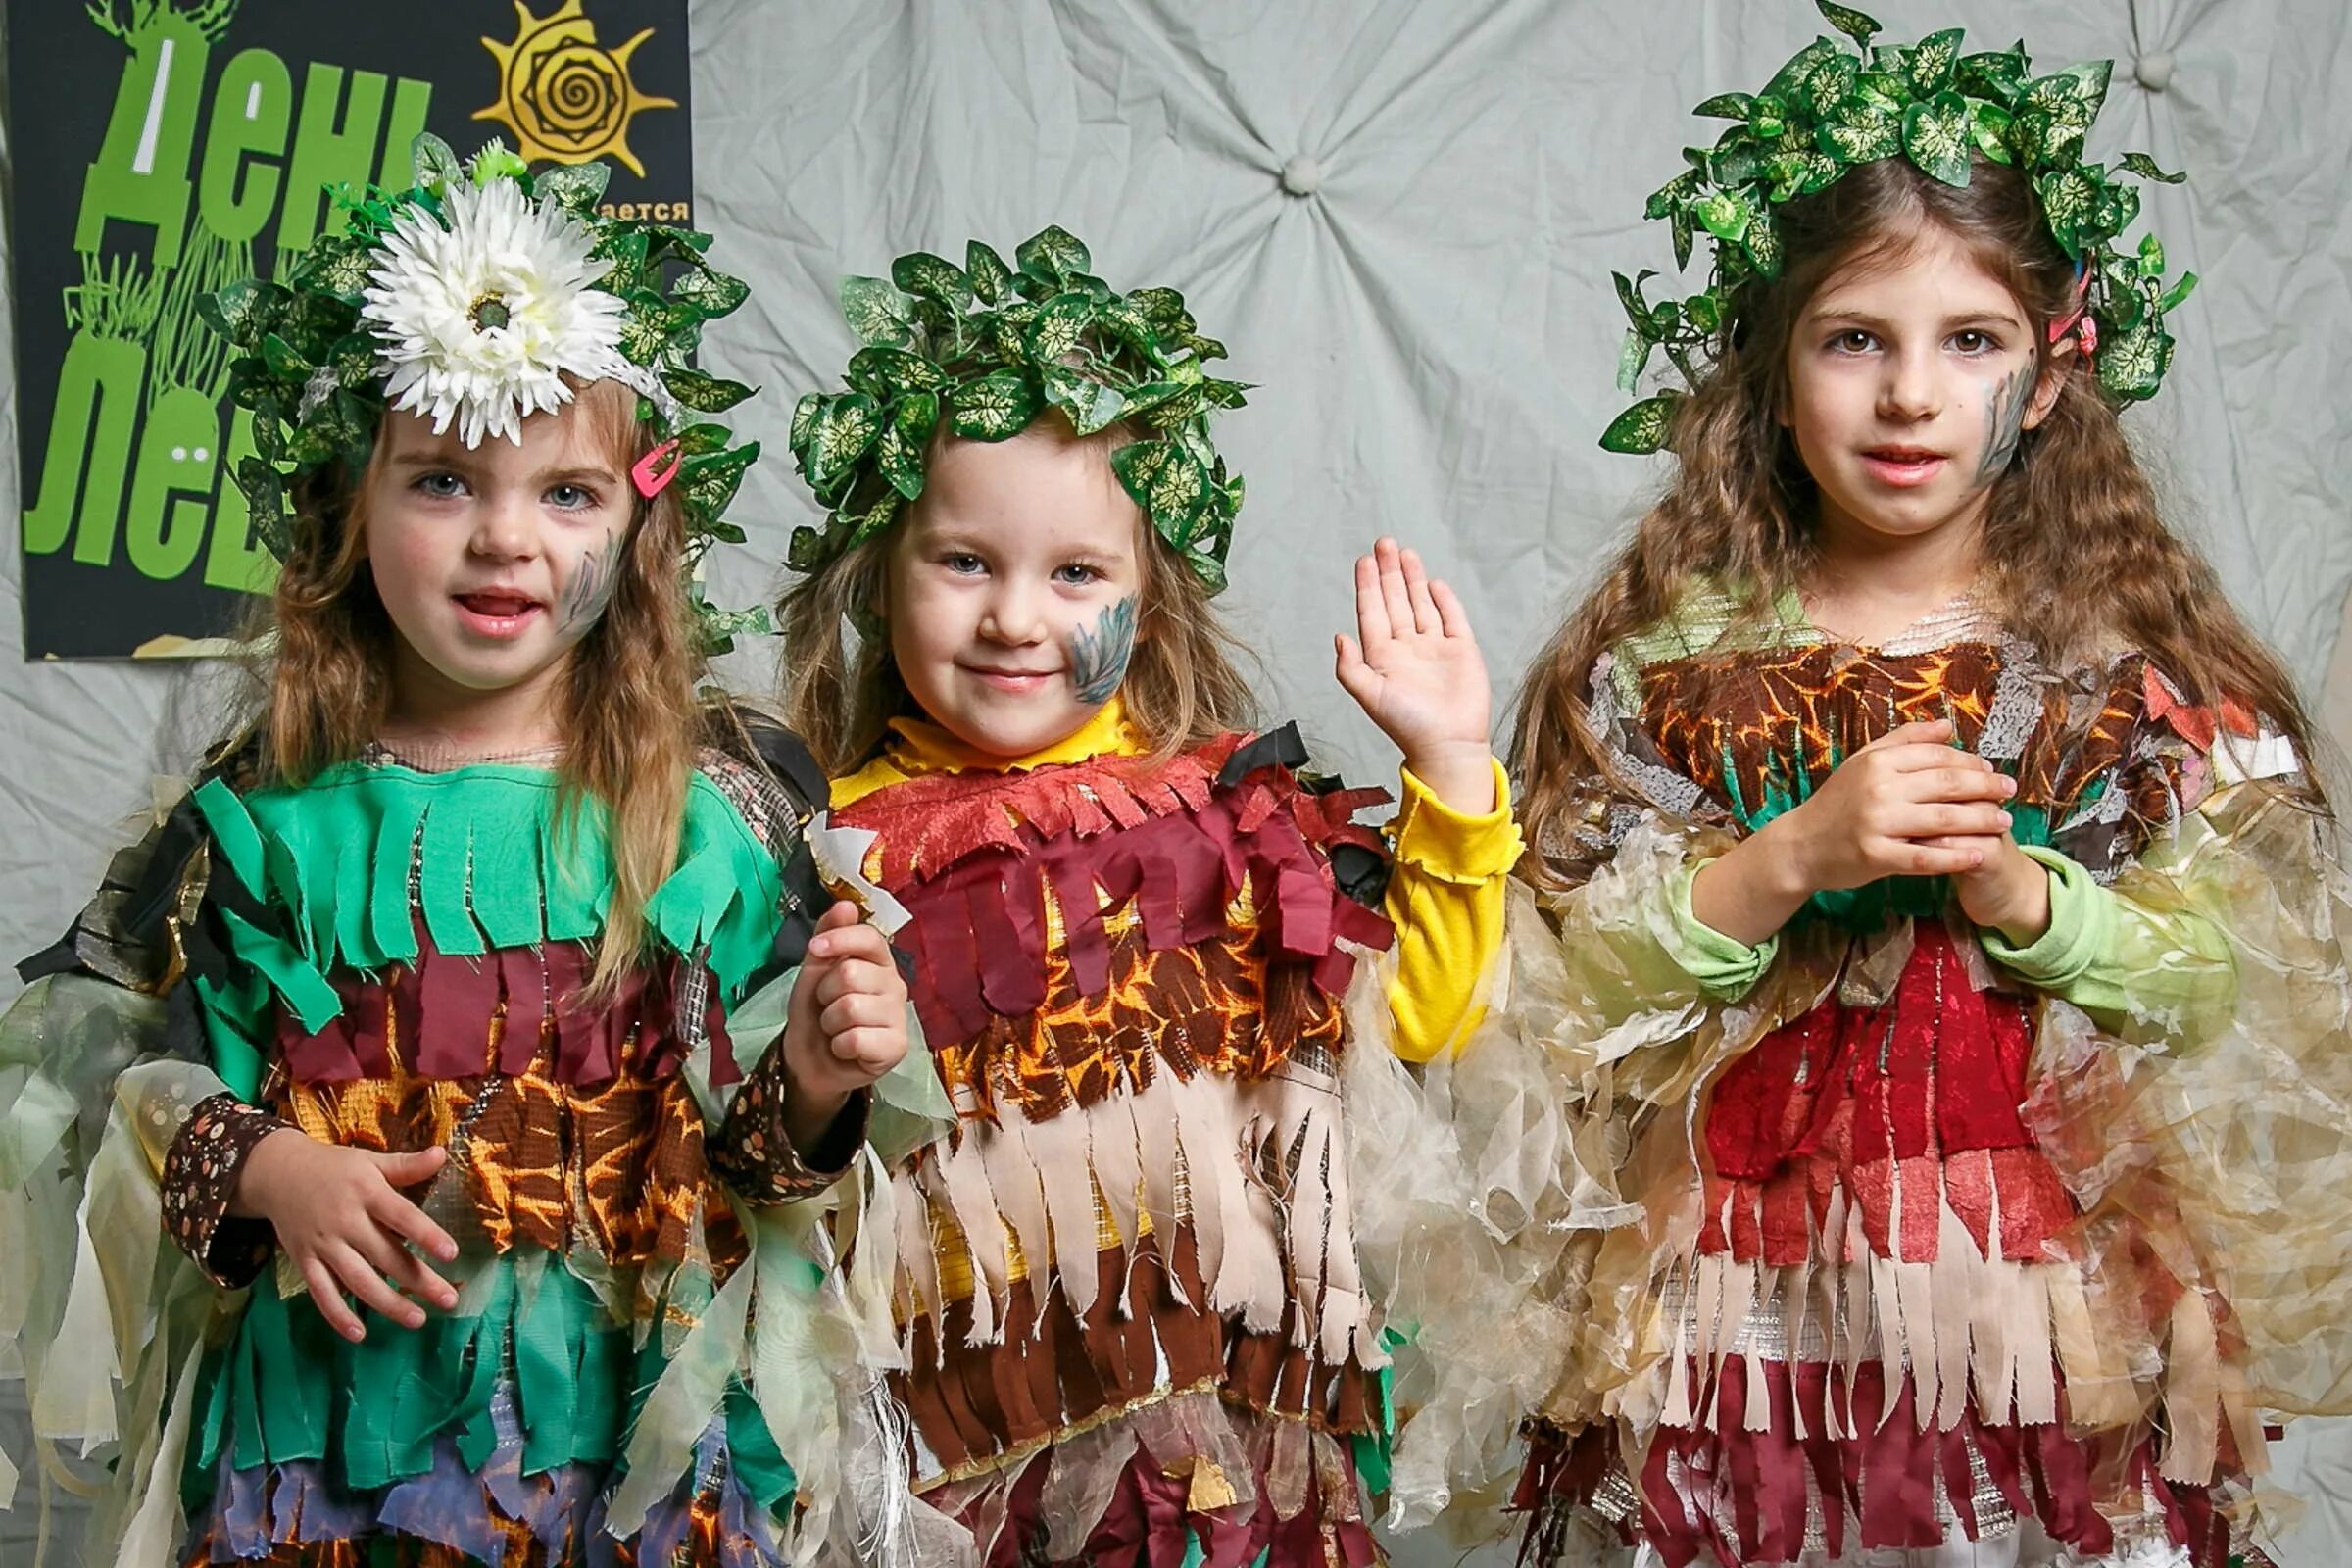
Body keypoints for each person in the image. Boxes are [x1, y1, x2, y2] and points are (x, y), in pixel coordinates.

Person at [1476, 7, 2352, 1564]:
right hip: (1740, 1300)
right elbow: (1561, 990)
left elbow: (2215, 985)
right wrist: (1787, 862)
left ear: (2054, 374)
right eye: (1855, 338)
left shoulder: (2112, 674)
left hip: (2036, 1301)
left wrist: (2024, 895)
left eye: (1973, 342)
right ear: (1773, 365)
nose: (1909, 395)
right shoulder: (1674, 666)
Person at [0, 136, 930, 1567]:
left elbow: (771, 1172)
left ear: (641, 517)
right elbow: (117, 1070)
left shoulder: (719, 809)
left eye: (568, 494)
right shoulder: (270, 817)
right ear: (348, 505)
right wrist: (265, 1168)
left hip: (631, 1446)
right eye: (442, 482)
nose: (506, 541)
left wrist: (812, 1077)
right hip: (329, 1448)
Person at [772, 224, 1518, 1566]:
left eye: (1076, 574)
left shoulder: (1231, 814)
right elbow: (769, 1174)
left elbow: (1423, 1019)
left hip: (1228, 1465)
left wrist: (1453, 768)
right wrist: (817, 1077)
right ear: (876, 577)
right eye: (964, 562)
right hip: (966, 1464)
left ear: (1151, 600)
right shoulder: (823, 848)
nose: (1016, 619)